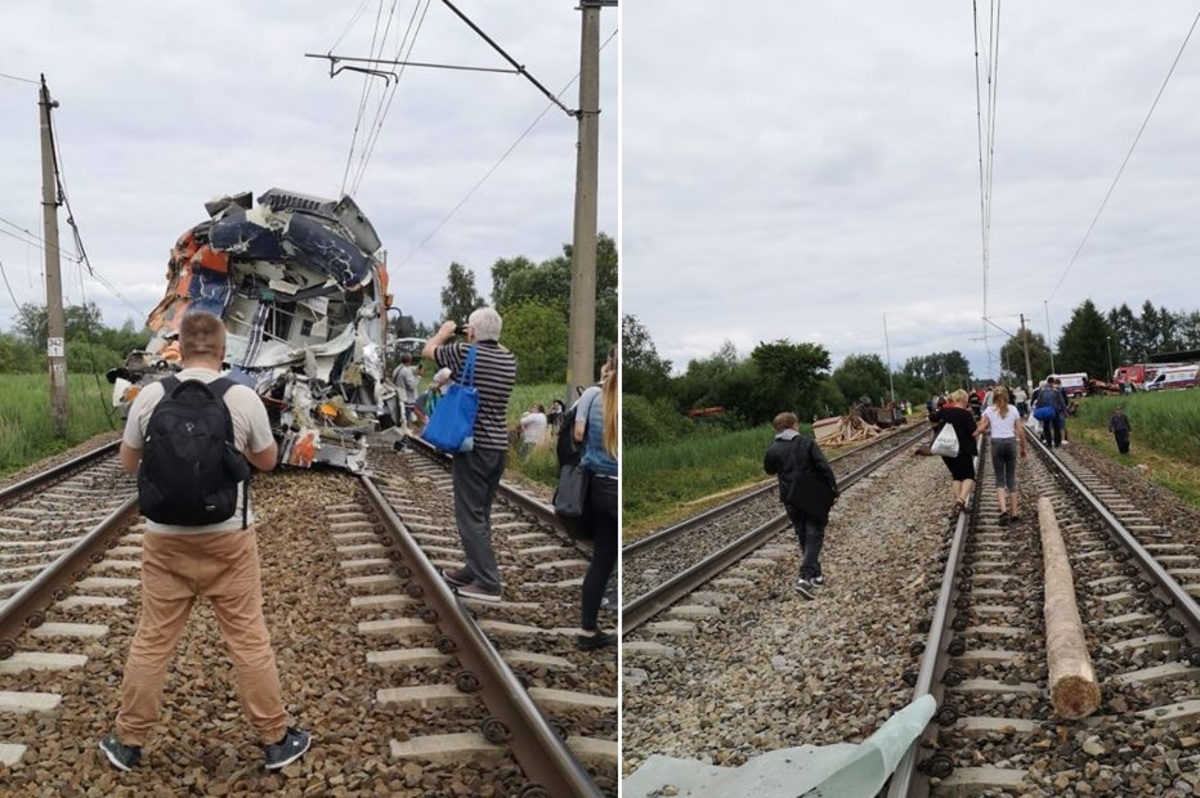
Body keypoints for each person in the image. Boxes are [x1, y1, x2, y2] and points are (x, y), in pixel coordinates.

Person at [99, 311, 310, 772]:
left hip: (164, 542)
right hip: (228, 540)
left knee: (153, 640)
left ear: (178, 347)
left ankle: (128, 741)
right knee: (248, 639)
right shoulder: (242, 396)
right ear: (222, 351)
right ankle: (276, 737)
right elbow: (269, 461)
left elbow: (129, 463)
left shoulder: (151, 395)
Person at [424, 307, 517, 603]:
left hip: (473, 446)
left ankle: (488, 582)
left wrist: (446, 331)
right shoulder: (509, 359)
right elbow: (496, 344)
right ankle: (472, 569)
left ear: (472, 332)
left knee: (469, 516)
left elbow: (429, 351)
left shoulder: (464, 351)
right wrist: (480, 332)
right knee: (481, 513)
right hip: (497, 448)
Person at [763, 411, 839, 599]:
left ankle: (816, 575)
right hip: (811, 495)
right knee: (815, 533)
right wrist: (833, 488)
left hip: (790, 498)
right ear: (794, 425)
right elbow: (823, 466)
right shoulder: (807, 443)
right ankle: (804, 577)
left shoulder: (773, 450)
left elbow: (769, 469)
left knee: (803, 535)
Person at [574, 346, 618, 650]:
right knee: (610, 556)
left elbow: (577, 434)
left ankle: (588, 631)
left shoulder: (591, 395)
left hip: (598, 486)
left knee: (601, 560)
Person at [973, 385, 1027, 526]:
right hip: (1010, 443)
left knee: (999, 479)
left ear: (993, 397)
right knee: (1011, 478)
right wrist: (1023, 448)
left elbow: (982, 427)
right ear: (1007, 396)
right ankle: (1014, 513)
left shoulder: (989, 411)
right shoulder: (1014, 410)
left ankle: (1003, 511)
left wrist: (972, 435)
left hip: (996, 444)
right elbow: (1020, 431)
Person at [929, 389, 978, 514]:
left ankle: (958, 499)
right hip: (962, 450)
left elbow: (932, 417)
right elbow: (972, 431)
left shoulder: (945, 411)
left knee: (956, 476)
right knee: (968, 477)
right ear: (965, 400)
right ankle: (961, 499)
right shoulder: (966, 414)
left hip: (946, 449)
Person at [1032, 380, 1065, 448]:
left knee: (1046, 426)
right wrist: (1065, 411)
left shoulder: (1042, 391)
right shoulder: (1056, 391)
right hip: (1055, 411)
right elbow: (1062, 402)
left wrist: (1038, 409)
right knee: (1056, 426)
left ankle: (1049, 442)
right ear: (1052, 383)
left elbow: (1039, 401)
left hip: (1045, 411)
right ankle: (1057, 442)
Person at [392, 353, 422, 428]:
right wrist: (418, 377)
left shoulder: (397, 369)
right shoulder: (406, 371)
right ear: (410, 360)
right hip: (408, 400)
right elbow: (411, 386)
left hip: (400, 397)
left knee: (401, 419)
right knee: (407, 421)